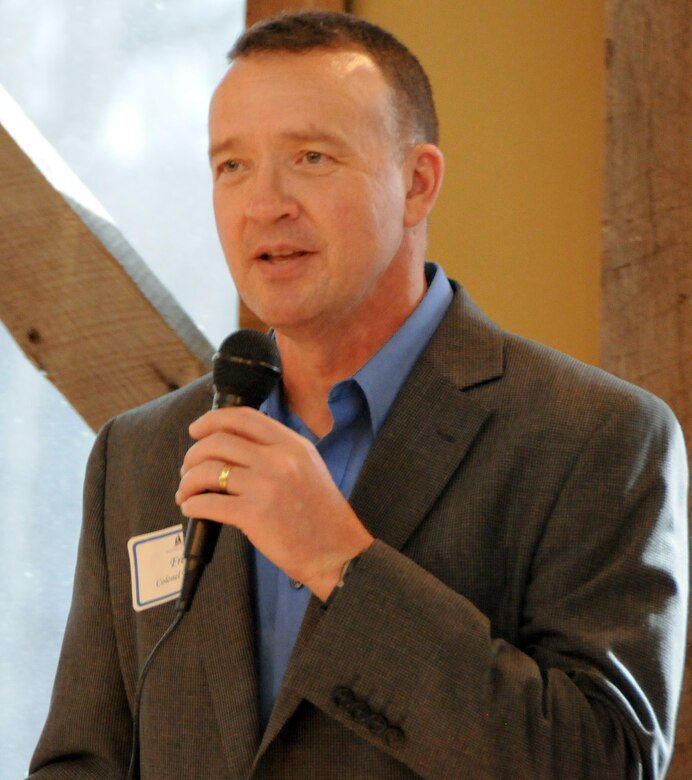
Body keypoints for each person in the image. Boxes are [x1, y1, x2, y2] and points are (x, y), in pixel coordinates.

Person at [29, 10, 688, 779]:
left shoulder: (598, 438)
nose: (262, 204)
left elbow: (602, 763)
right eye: (231, 166)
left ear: (417, 184)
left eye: (311, 157)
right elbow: (81, 761)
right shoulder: (138, 454)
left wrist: (339, 562)